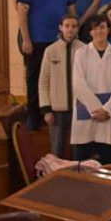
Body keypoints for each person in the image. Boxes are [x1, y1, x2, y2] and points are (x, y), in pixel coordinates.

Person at [17, 0, 77, 130]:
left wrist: (74, 33)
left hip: (60, 42)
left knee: (61, 79)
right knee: (34, 79)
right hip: (36, 42)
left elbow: (72, 10)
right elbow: (21, 12)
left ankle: (61, 117)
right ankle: (34, 117)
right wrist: (26, 39)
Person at [71, 14, 111, 164]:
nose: (99, 31)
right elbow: (78, 83)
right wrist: (96, 109)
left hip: (108, 113)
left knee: (107, 161)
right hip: (86, 110)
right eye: (94, 28)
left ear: (108, 29)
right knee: (83, 162)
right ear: (89, 32)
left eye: (102, 27)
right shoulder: (81, 53)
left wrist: (106, 110)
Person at [38, 15, 82, 156]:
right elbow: (43, 82)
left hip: (78, 109)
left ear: (77, 29)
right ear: (60, 27)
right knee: (57, 149)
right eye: (67, 26)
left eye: (74, 26)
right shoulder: (50, 50)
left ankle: (78, 177)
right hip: (57, 110)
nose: (70, 29)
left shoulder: (84, 49)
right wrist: (46, 109)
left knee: (79, 149)